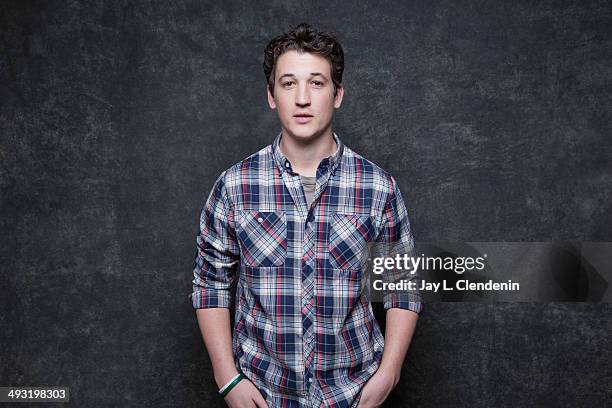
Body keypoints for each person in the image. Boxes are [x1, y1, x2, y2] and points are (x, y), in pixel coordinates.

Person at [191, 22, 422, 408]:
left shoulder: (378, 187)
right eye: (288, 83)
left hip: (354, 394)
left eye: (317, 83)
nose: (302, 98)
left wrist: (389, 374)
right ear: (271, 96)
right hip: (262, 394)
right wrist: (227, 378)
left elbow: (404, 286)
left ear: (338, 95)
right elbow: (210, 284)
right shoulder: (235, 186)